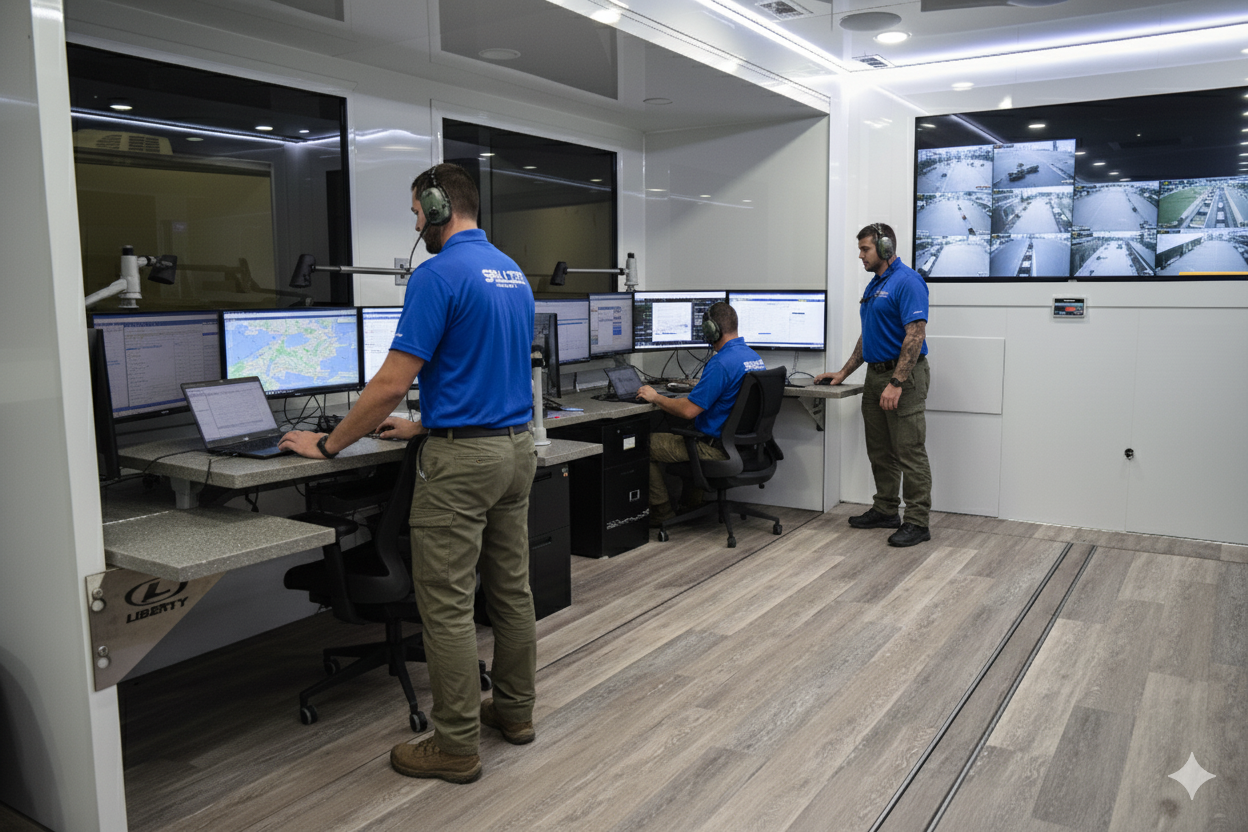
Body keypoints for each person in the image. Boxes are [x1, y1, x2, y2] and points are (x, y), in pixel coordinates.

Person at [278, 162, 538, 784]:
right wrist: (427, 424)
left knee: (445, 606)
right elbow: (494, 369)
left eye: (417, 212)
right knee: (511, 591)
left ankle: (453, 746)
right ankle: (515, 712)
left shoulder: (437, 274)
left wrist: (330, 444)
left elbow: (392, 382)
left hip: (463, 463)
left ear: (437, 205)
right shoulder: (512, 273)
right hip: (514, 449)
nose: (416, 224)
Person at [816, 222, 932, 547]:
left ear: (884, 249)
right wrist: (843, 372)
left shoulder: (907, 282)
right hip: (875, 375)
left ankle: (918, 522)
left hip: (902, 377)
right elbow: (870, 333)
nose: (860, 255)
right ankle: (885, 510)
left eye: (865, 249)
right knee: (880, 450)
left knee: (910, 452)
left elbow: (915, 334)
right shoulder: (875, 284)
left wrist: (896, 381)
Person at [637, 301, 765, 526]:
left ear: (711, 330)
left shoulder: (720, 363)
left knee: (641, 444)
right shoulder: (753, 358)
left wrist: (656, 397)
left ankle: (662, 513)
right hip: (741, 446)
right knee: (691, 431)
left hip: (715, 449)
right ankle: (691, 504)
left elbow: (687, 411)